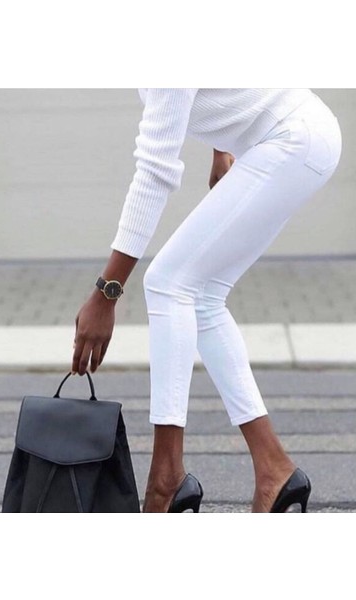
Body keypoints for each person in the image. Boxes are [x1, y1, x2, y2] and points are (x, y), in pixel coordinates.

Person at [71, 88, 342, 513]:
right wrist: (221, 148)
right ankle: (273, 469)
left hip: (291, 138)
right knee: (203, 296)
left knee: (167, 283)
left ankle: (165, 480)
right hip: (295, 137)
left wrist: (107, 292)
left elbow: (155, 171)